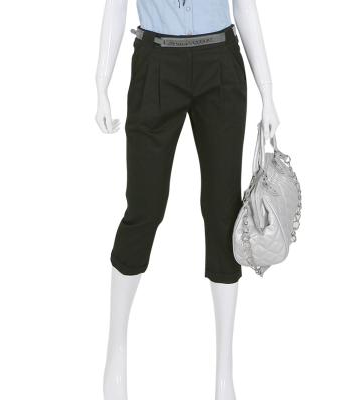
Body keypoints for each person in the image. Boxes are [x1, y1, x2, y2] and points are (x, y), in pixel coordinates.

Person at [95, 1, 279, 399]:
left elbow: (244, 6)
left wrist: (268, 92)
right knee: (144, 208)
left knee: (223, 212)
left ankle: (225, 374)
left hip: (220, 64)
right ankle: (115, 349)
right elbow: (115, 5)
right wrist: (101, 83)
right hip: (157, 61)